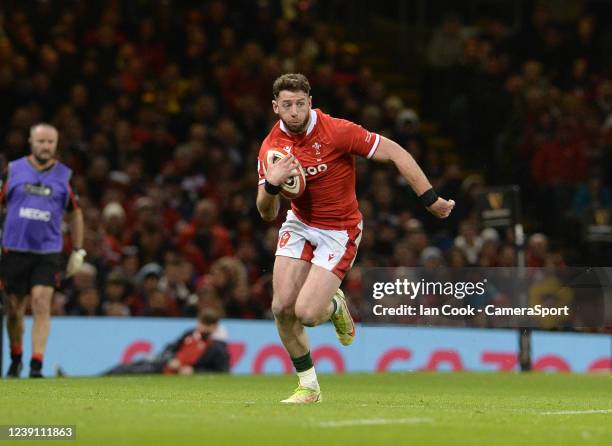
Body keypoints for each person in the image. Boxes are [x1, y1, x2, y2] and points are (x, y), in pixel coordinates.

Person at [256, 73, 455, 403]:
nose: (294, 112)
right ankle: (309, 388)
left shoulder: (336, 131)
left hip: (339, 230)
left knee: (306, 313)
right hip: (300, 223)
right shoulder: (271, 149)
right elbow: (265, 212)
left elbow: (395, 152)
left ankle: (334, 304)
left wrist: (430, 199)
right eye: (287, 105)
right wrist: (272, 186)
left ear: (310, 102)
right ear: (276, 107)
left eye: (300, 104)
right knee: (281, 308)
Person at [0, 123, 85, 378]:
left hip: (47, 252)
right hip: (14, 249)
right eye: (41, 142)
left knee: (40, 303)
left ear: (56, 145)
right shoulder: (13, 171)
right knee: (14, 310)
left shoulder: (64, 176)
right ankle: (16, 357)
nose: (45, 147)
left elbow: (76, 213)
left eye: (50, 142)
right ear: (31, 142)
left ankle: (36, 365)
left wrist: (79, 250)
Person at [103, 308, 230, 375]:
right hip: (165, 364)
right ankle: (101, 377)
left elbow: (222, 371)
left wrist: (194, 371)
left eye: (206, 324)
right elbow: (171, 347)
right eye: (200, 322)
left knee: (131, 372)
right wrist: (170, 358)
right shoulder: (190, 334)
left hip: (170, 372)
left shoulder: (217, 347)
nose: (201, 326)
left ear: (214, 327)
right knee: (127, 366)